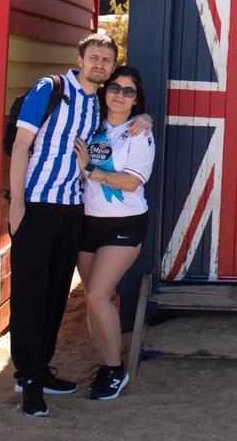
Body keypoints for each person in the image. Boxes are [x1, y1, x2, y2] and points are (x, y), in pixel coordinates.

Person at [8, 32, 117, 417]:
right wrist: (17, 205)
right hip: (36, 205)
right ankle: (29, 383)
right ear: (81, 58)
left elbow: (128, 115)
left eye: (106, 59)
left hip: (72, 209)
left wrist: (147, 117)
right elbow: (21, 146)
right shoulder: (50, 89)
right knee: (29, 297)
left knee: (55, 295)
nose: (100, 64)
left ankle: (41, 369)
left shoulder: (98, 105)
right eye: (94, 57)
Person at [75, 65, 154, 401]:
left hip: (125, 222)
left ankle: (114, 368)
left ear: (137, 100)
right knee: (95, 303)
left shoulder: (140, 132)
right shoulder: (89, 124)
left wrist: (90, 172)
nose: (120, 95)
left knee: (96, 295)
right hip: (87, 221)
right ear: (105, 91)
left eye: (129, 91)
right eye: (115, 88)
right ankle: (105, 365)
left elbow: (132, 182)